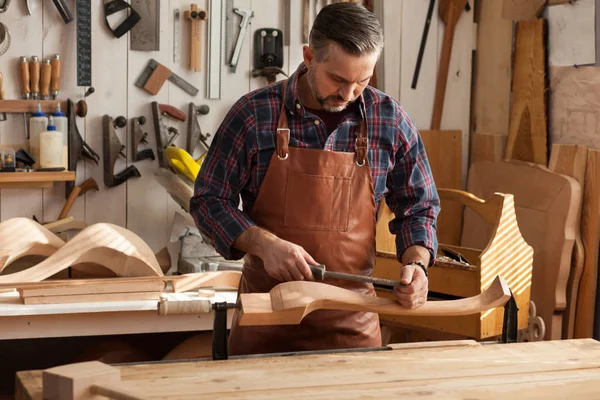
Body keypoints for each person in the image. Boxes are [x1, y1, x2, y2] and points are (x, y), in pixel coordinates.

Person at [190, 2, 440, 356]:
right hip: (266, 318)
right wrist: (264, 244)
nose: (349, 94)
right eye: (338, 79)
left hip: (352, 325)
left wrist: (416, 265)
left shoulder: (390, 119)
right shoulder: (253, 114)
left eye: (363, 81)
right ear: (309, 57)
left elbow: (420, 205)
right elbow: (208, 200)